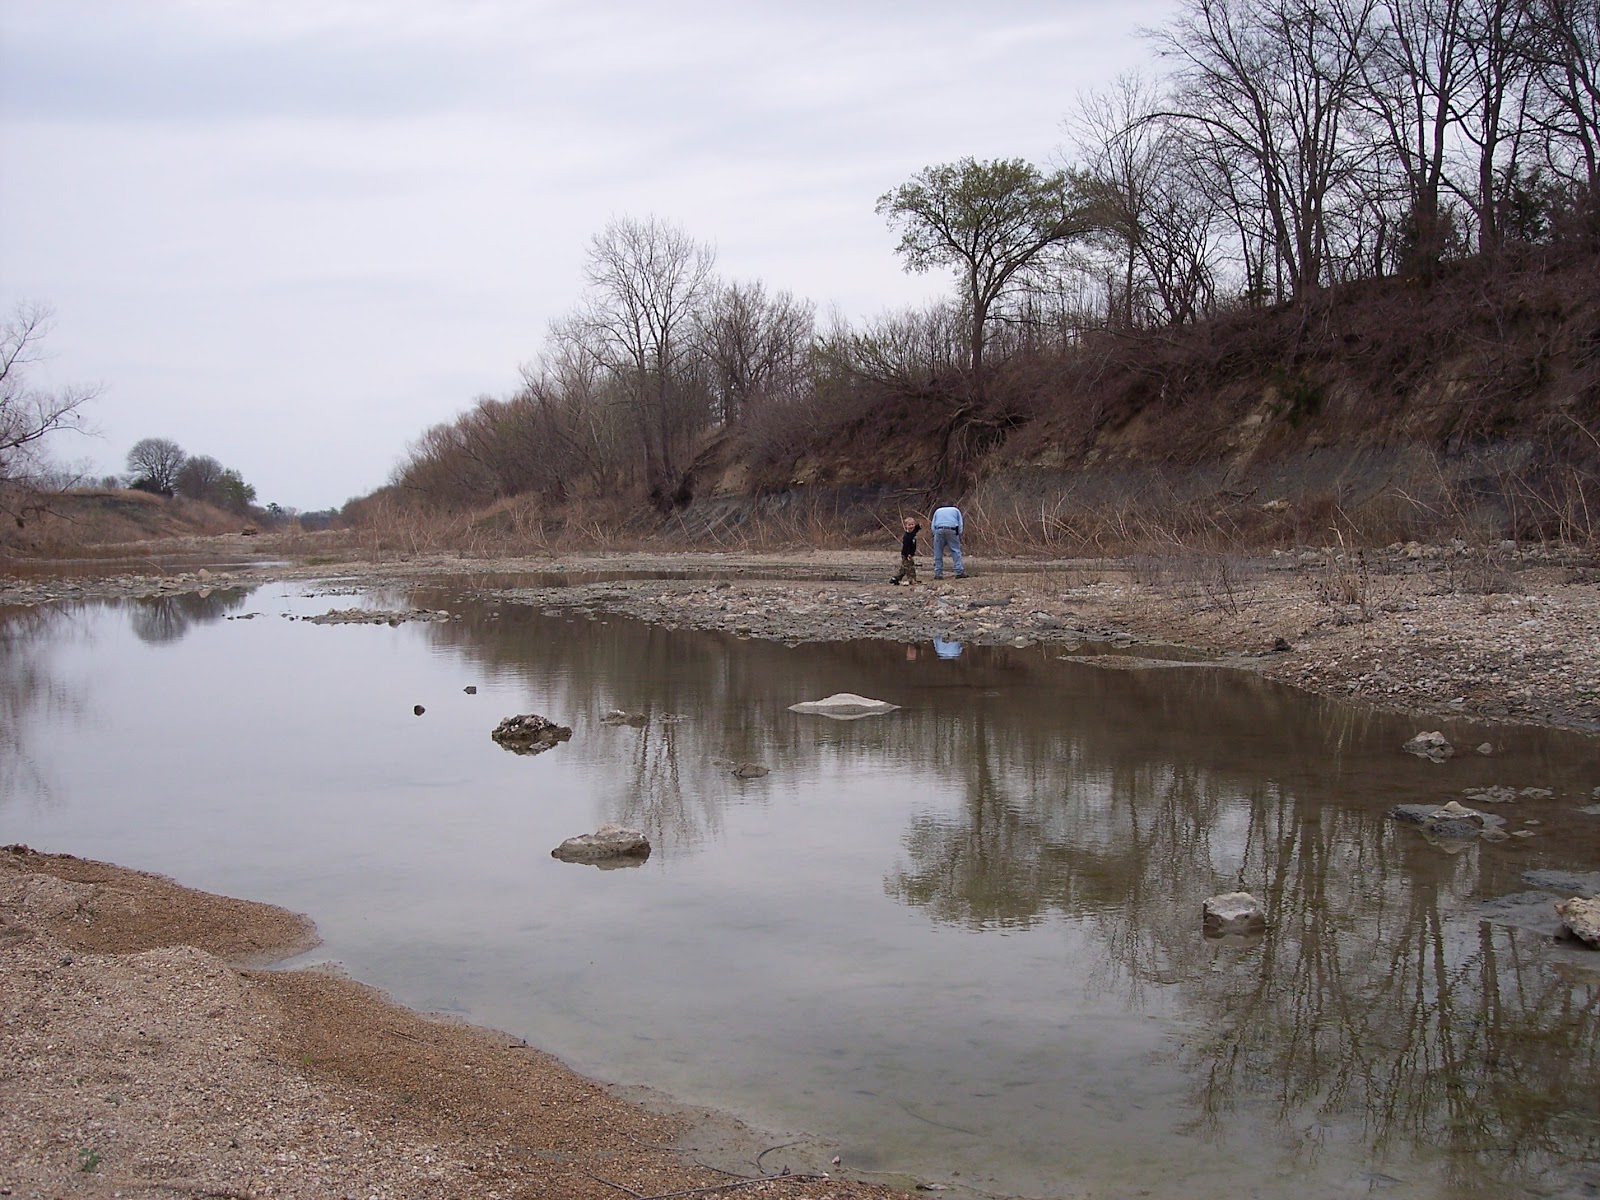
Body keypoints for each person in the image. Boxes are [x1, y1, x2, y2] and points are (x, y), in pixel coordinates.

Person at [930, 503, 965, 579]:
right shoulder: (956, 510)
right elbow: (960, 524)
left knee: (938, 552)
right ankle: (959, 571)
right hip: (952, 529)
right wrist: (958, 534)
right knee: (955, 550)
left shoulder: (938, 510)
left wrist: (935, 534)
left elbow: (933, 525)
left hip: (939, 529)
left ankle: (938, 573)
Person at [890, 516, 921, 585]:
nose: (911, 526)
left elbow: (916, 528)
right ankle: (912, 580)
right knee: (910, 568)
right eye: (909, 525)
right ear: (906, 526)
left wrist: (919, 525)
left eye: (912, 524)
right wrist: (908, 555)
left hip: (910, 554)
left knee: (904, 568)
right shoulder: (906, 537)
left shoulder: (913, 532)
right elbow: (906, 547)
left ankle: (896, 578)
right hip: (906, 554)